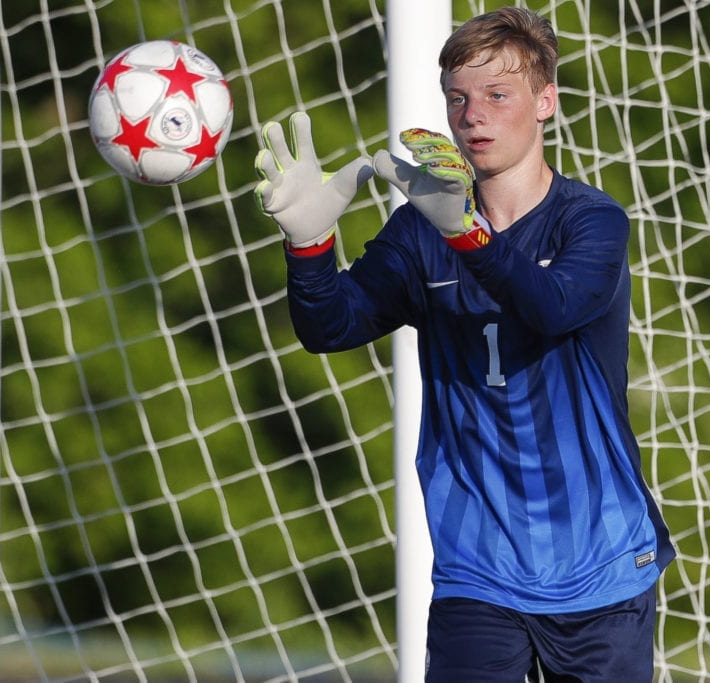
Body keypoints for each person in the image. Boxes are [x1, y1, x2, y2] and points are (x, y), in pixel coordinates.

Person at [253, 6, 674, 682]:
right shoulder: (422, 231)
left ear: (546, 103)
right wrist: (308, 246)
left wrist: (467, 232)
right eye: (458, 98)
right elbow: (330, 326)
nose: (472, 114)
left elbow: (551, 307)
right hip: (476, 570)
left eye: (496, 95)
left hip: (600, 567)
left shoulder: (591, 220)